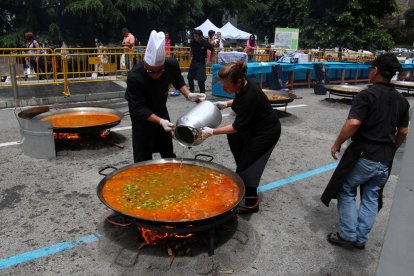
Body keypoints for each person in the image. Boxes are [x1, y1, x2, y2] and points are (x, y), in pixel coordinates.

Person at [321, 53, 410, 249]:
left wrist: (337, 143)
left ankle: (348, 235)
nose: (370, 72)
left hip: (364, 154)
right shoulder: (402, 101)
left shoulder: (367, 95)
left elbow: (353, 122)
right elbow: (403, 131)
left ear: (376, 71)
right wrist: (392, 147)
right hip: (385, 159)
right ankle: (361, 239)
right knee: (371, 196)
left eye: (371, 68)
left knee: (346, 190)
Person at [200, 61, 281, 214]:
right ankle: (244, 186)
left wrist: (211, 132)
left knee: (248, 166)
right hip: (251, 128)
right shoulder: (243, 83)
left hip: (265, 133)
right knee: (239, 151)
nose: (224, 89)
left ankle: (252, 203)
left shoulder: (251, 94)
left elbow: (237, 127)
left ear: (238, 81)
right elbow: (239, 98)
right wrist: (227, 103)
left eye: (226, 86)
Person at [125, 30, 206, 163]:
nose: (156, 75)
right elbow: (138, 107)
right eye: (151, 71)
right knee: (142, 155)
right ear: (145, 63)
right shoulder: (135, 76)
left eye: (160, 70)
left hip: (160, 109)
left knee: (167, 149)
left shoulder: (171, 65)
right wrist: (160, 121)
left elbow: (178, 80)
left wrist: (188, 94)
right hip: (142, 117)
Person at [188, 29, 214, 94]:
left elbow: (212, 50)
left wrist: (210, 60)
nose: (195, 37)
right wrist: (190, 57)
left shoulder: (205, 43)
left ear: (200, 36)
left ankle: (202, 92)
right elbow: (191, 49)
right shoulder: (193, 42)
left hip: (201, 62)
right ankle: (191, 90)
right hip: (194, 61)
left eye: (196, 36)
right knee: (189, 77)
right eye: (194, 36)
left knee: (200, 79)